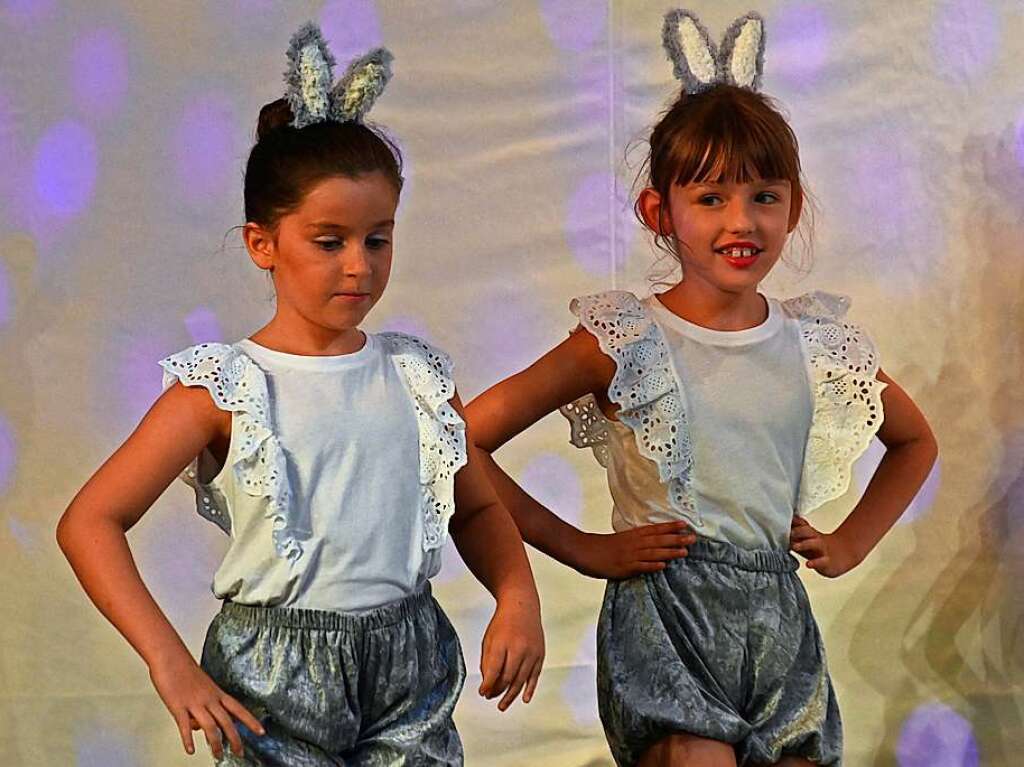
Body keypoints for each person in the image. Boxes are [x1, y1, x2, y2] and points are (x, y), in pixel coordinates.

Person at [56, 23, 543, 766]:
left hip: (408, 661)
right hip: (271, 677)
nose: (359, 265)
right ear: (263, 244)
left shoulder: (414, 375)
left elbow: (475, 504)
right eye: (329, 240)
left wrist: (517, 595)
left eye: (377, 238)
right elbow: (90, 520)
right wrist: (169, 660)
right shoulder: (221, 388)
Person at [464, 10, 937, 767]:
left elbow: (914, 439)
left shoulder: (814, 342)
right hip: (668, 615)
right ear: (661, 212)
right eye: (711, 197)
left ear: (794, 206)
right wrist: (583, 547)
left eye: (763, 196)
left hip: (776, 620)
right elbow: (459, 434)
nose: (740, 221)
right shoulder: (624, 340)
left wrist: (850, 541)